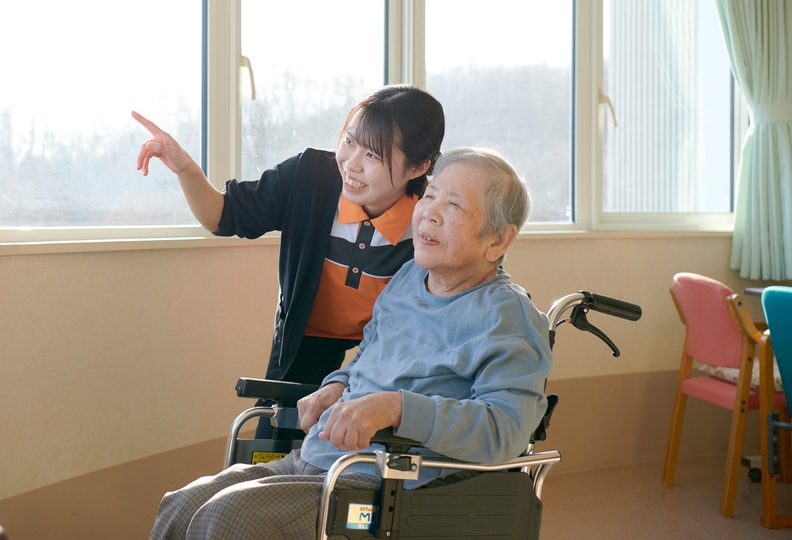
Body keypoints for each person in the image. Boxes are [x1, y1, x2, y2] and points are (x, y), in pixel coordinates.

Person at [147, 147, 553, 540]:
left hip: (386, 485)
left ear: (498, 241)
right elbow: (368, 355)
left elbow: (507, 430)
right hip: (319, 457)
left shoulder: (508, 318)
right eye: (430, 195)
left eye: (454, 206)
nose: (429, 211)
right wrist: (336, 387)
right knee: (183, 503)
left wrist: (395, 407)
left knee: (230, 516)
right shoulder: (408, 278)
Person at [133, 85, 445, 437]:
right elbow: (223, 215)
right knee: (279, 431)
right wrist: (187, 169)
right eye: (350, 141)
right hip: (307, 331)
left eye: (373, 155)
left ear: (417, 167)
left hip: (388, 344)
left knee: (370, 436)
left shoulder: (430, 215)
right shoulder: (311, 176)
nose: (352, 163)